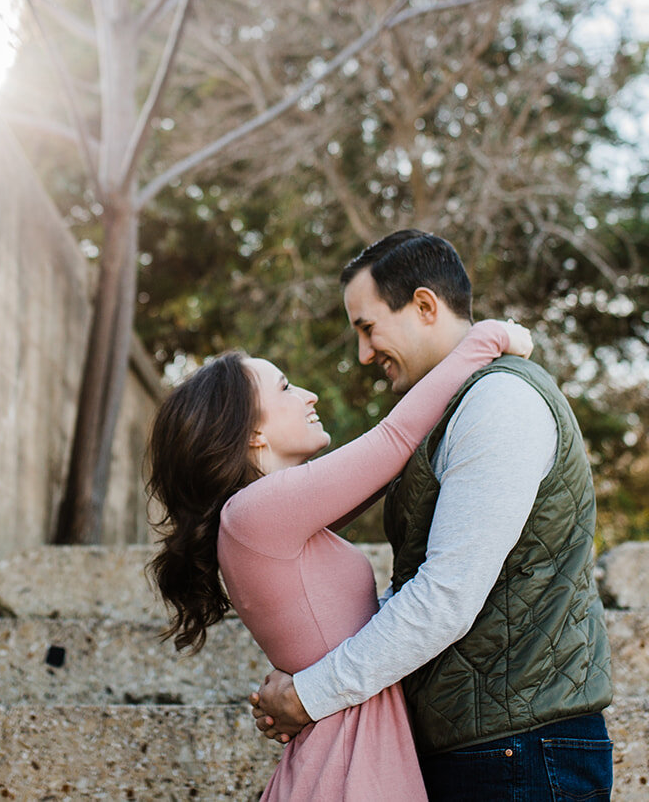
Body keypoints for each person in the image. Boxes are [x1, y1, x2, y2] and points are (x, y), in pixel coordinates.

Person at [249, 229, 614, 802]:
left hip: (521, 751)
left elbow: (445, 596)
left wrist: (310, 695)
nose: (363, 354)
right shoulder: (453, 411)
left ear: (424, 306)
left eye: (367, 328)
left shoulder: (500, 403)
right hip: (486, 743)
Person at [146, 312, 533, 801]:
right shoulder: (253, 514)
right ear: (251, 435)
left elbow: (388, 469)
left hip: (347, 750)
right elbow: (394, 442)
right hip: (348, 763)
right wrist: (487, 337)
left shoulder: (263, 519)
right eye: (285, 388)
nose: (308, 395)